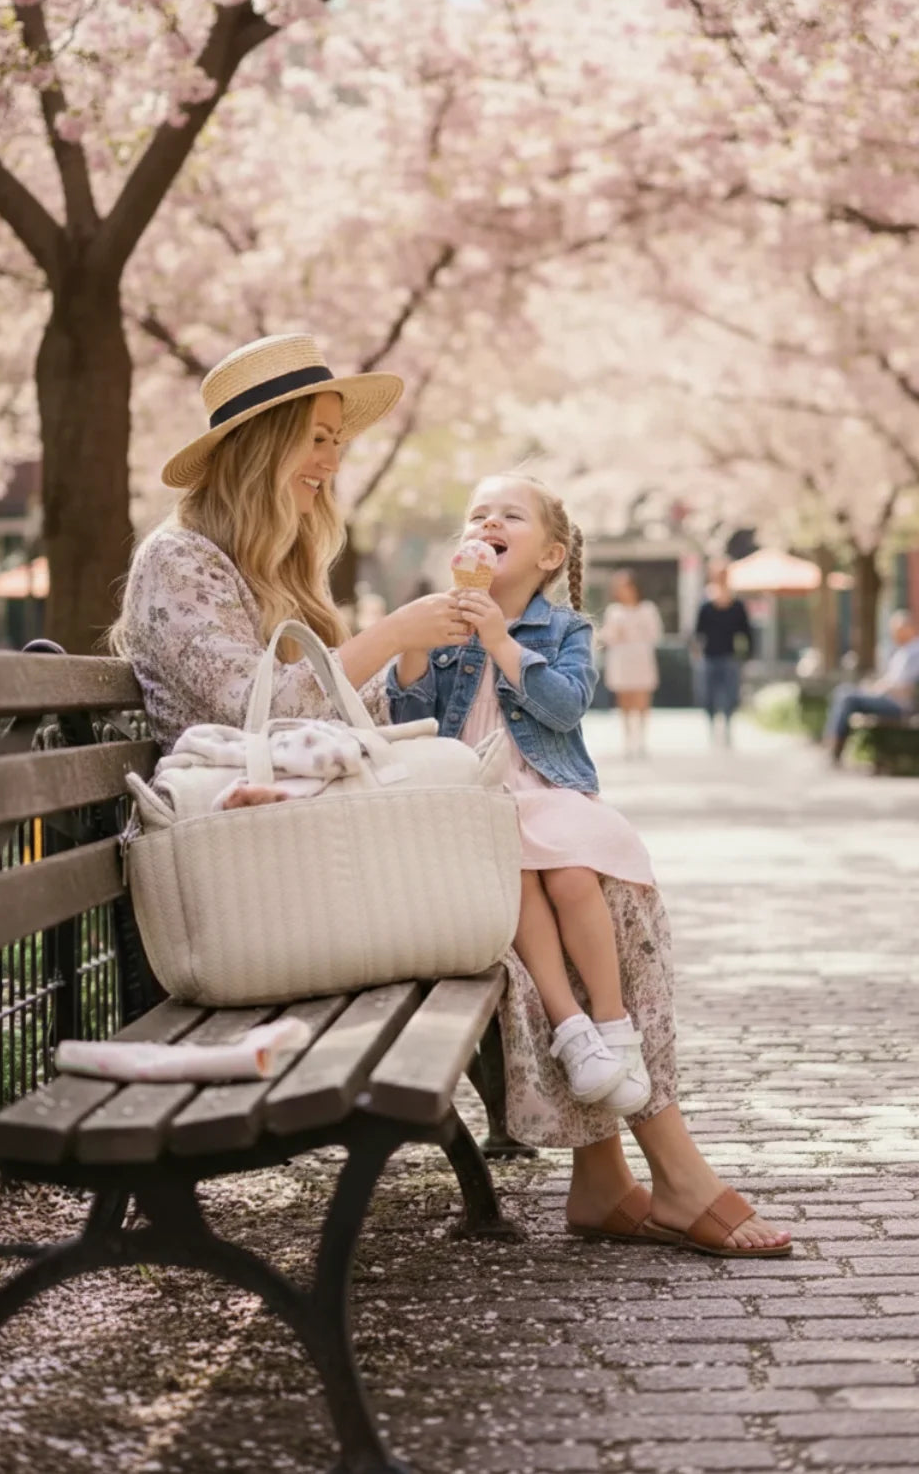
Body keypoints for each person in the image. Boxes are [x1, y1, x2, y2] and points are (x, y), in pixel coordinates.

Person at [113, 332, 791, 1258]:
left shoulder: (277, 566)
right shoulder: (180, 560)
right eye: (317, 439)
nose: (332, 461)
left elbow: (350, 716)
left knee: (583, 876)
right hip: (260, 868)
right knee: (526, 870)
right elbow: (251, 708)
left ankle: (615, 1175)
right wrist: (396, 635)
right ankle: (668, 1172)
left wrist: (406, 658)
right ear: (262, 442)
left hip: (310, 838)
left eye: (336, 441)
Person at [390, 474, 652, 1116]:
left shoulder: (566, 629)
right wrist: (413, 649)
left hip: (545, 786)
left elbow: (565, 708)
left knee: (571, 876)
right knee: (520, 883)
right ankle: (572, 1030)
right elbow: (411, 721)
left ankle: (614, 1025)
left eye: (511, 516)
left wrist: (501, 642)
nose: (489, 524)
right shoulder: (442, 621)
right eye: (479, 514)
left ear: (551, 555)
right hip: (474, 793)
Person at [823, 610, 919, 763]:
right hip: (887, 697)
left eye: (897, 630)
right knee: (843, 691)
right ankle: (832, 745)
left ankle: (834, 749)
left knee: (847, 698)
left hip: (899, 704)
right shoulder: (902, 651)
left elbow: (907, 688)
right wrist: (874, 687)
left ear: (909, 629)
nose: (894, 635)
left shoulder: (914, 652)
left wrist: (880, 689)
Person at [599, 568, 663, 758]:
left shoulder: (648, 609)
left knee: (642, 699)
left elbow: (656, 634)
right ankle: (628, 739)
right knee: (624, 700)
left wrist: (636, 635)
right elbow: (607, 636)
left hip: (641, 658)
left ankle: (641, 739)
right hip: (621, 659)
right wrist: (615, 634)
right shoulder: (614, 611)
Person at [692, 562, 754, 745]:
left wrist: (748, 654)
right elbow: (697, 632)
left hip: (729, 656)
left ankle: (727, 726)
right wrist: (696, 653)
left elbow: (746, 631)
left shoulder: (737, 604)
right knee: (708, 695)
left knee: (730, 695)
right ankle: (712, 727)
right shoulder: (705, 603)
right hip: (709, 656)